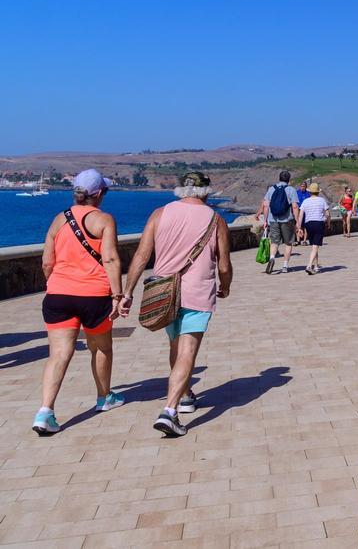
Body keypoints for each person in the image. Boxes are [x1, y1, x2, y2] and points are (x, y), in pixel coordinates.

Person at [121, 172, 232, 437]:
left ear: (180, 189)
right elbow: (225, 264)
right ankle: (169, 411)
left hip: (163, 292)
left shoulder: (160, 214)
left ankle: (184, 394)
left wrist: (127, 292)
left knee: (175, 345)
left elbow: (141, 255)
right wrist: (225, 286)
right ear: (206, 191)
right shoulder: (215, 220)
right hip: (197, 292)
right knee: (187, 351)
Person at [32, 170, 126, 435]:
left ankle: (45, 411)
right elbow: (110, 259)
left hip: (58, 295)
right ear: (98, 194)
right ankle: (103, 397)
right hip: (94, 296)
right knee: (101, 348)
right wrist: (118, 295)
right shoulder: (104, 220)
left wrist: (54, 284)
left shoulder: (59, 219)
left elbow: (47, 261)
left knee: (58, 354)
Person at [257, 171, 299, 273]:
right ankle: (285, 266)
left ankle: (272, 258)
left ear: (279, 178)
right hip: (287, 220)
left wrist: (266, 220)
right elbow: (295, 206)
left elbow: (266, 205)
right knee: (288, 243)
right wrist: (297, 221)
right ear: (288, 179)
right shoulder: (291, 190)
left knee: (274, 242)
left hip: (273, 219)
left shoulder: (272, 189)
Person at [297, 181, 329, 274]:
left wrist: (299, 228)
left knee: (314, 246)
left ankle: (316, 266)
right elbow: (327, 213)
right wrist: (328, 222)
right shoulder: (322, 200)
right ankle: (309, 265)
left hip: (308, 224)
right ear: (318, 192)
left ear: (310, 192)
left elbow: (300, 215)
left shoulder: (305, 201)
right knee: (315, 246)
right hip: (319, 223)